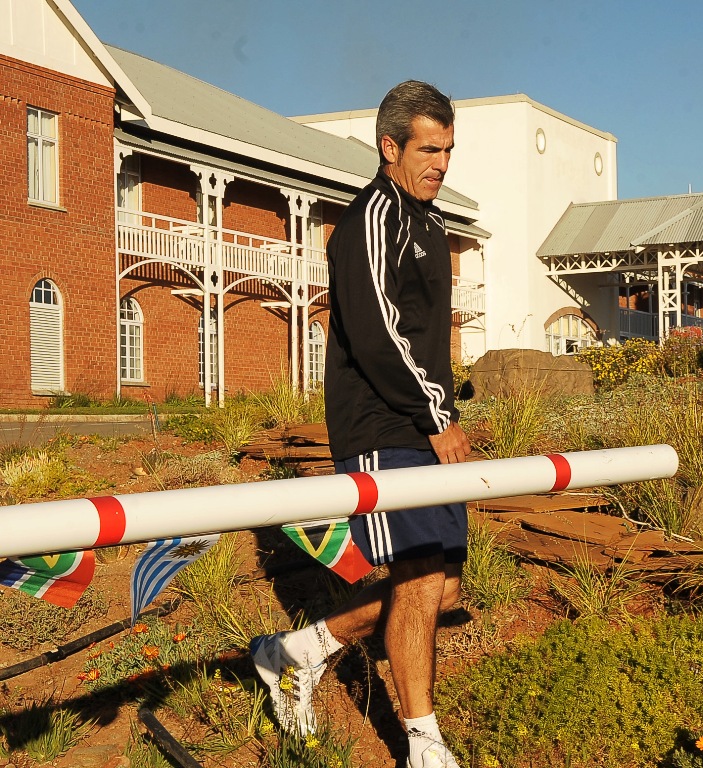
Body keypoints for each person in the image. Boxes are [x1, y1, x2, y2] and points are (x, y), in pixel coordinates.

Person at [251, 80, 471, 768]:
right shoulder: (370, 220)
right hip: (383, 428)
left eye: (448, 150)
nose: (441, 163)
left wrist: (444, 408)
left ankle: (297, 652)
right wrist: (437, 415)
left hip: (424, 424)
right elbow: (378, 333)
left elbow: (424, 337)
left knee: (445, 584)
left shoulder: (430, 224)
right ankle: (424, 747)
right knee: (416, 577)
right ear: (389, 147)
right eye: (429, 149)